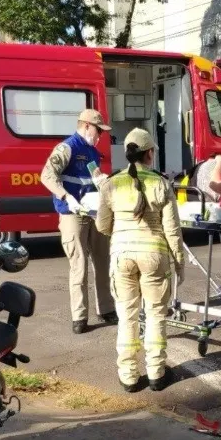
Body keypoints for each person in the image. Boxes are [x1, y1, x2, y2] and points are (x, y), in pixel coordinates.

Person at [95, 128, 185, 392]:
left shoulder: (111, 183)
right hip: (155, 256)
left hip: (122, 256)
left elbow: (102, 225)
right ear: (149, 154)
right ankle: (157, 374)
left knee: (127, 316)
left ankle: (129, 377)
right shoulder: (161, 183)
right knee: (156, 314)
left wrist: (122, 234)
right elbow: (172, 230)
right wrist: (178, 262)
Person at [40, 109, 117, 334]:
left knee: (103, 260)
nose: (100, 135)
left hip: (93, 212)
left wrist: (103, 181)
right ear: (85, 126)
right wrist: (66, 196)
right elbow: (47, 175)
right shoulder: (67, 147)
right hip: (73, 213)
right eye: (98, 130)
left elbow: (93, 175)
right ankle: (79, 316)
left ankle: (106, 309)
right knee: (79, 264)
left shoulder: (92, 151)